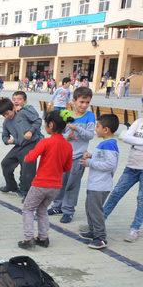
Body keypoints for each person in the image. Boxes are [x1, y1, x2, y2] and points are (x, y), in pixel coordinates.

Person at [18, 110, 73, 249]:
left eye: (45, 124)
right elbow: (67, 168)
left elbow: (31, 158)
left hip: (41, 184)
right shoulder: (68, 145)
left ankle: (29, 239)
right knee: (42, 210)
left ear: (51, 125)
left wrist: (27, 155)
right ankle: (43, 238)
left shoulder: (46, 142)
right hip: (55, 187)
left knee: (28, 209)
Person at [47, 87, 96, 223]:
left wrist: (77, 128)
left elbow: (90, 135)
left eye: (87, 102)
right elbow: (59, 133)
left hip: (78, 157)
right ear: (74, 101)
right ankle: (57, 206)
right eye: (81, 102)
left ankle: (68, 210)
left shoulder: (89, 116)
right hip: (63, 156)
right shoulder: (65, 114)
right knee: (60, 182)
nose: (84, 105)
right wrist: (67, 136)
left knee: (72, 184)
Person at [78, 114, 120, 250]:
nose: (96, 129)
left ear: (106, 129)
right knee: (90, 209)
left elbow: (109, 164)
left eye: (97, 126)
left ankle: (100, 238)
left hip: (100, 185)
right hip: (95, 184)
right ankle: (93, 231)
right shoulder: (104, 144)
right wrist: (91, 155)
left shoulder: (109, 145)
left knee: (95, 211)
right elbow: (102, 158)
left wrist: (89, 162)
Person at [103, 117, 143, 243]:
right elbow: (125, 137)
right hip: (131, 167)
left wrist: (135, 141)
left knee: (141, 199)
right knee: (116, 193)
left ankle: (135, 228)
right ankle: (99, 221)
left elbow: (129, 138)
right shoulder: (139, 122)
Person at [0, 92, 43, 197]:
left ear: (13, 108)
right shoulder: (6, 122)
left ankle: (26, 192)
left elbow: (38, 121)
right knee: (5, 163)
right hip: (19, 145)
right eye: (4, 115)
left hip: (31, 143)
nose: (7, 116)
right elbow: (4, 136)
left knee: (27, 167)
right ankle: (11, 185)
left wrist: (31, 131)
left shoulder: (23, 113)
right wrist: (7, 141)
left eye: (8, 113)